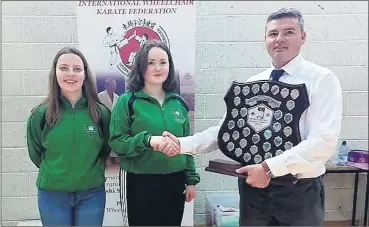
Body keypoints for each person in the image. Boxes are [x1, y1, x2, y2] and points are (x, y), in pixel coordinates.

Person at [156, 7, 343, 226]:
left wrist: (268, 168)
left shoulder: (321, 80)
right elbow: (224, 132)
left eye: (288, 32)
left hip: (298, 192)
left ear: (303, 37)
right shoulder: (253, 83)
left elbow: (323, 142)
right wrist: (181, 144)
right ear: (265, 39)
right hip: (253, 190)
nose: (279, 39)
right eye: (273, 33)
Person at [109, 39, 200, 226]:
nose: (158, 68)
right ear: (141, 67)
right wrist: (148, 140)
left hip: (175, 180)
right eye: (151, 63)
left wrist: (191, 180)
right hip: (139, 181)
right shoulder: (127, 101)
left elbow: (187, 145)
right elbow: (117, 142)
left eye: (163, 62)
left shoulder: (178, 103)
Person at [26, 47, 111, 226]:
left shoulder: (100, 113)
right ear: (55, 72)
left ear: (85, 74)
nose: (70, 74)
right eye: (64, 68)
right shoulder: (41, 114)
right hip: (52, 195)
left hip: (91, 194)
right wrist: (56, 172)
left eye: (77, 69)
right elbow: (36, 152)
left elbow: (105, 149)